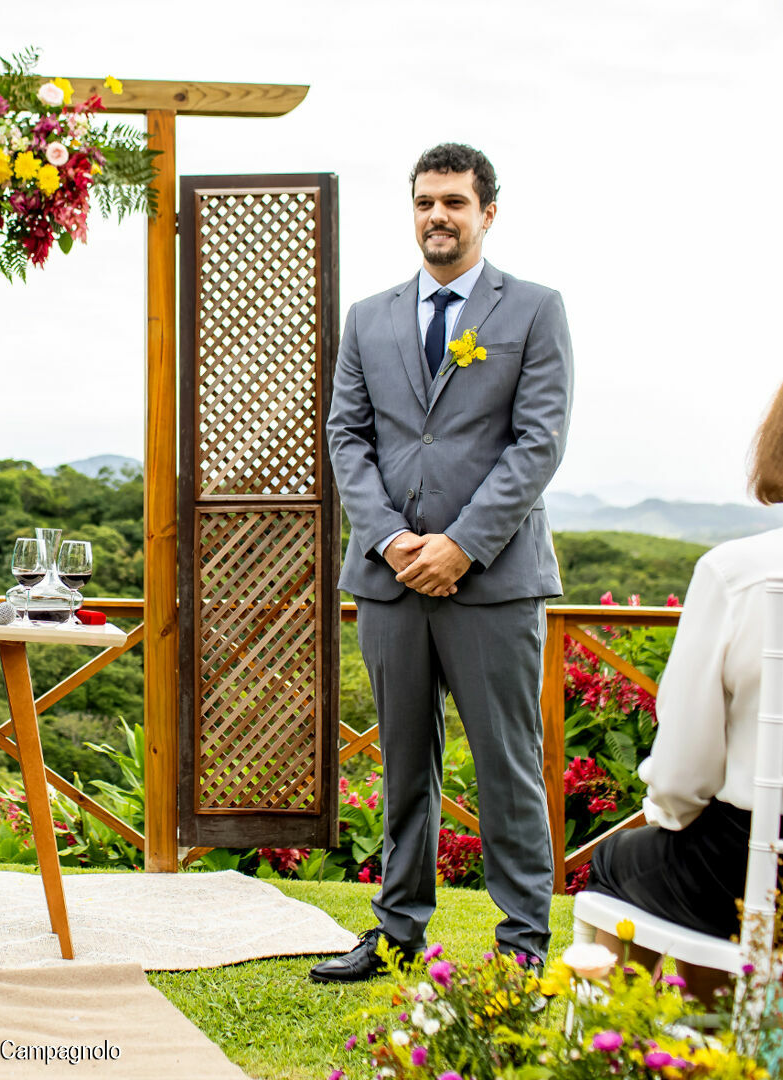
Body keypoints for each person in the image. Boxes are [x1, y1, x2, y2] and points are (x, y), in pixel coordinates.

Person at [314, 143, 574, 982]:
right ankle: (394, 932)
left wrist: (461, 545)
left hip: (492, 581)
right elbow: (346, 438)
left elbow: (537, 444)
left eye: (455, 202)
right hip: (388, 580)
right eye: (425, 201)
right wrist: (392, 540)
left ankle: (521, 946)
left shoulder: (534, 310)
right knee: (401, 764)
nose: (438, 216)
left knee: (505, 763)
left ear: (485, 213)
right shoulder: (369, 317)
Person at [584, 382, 783, 997]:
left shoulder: (740, 574)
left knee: (621, 862)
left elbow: (680, 777)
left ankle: (645, 1049)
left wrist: (668, 816)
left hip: (757, 862)